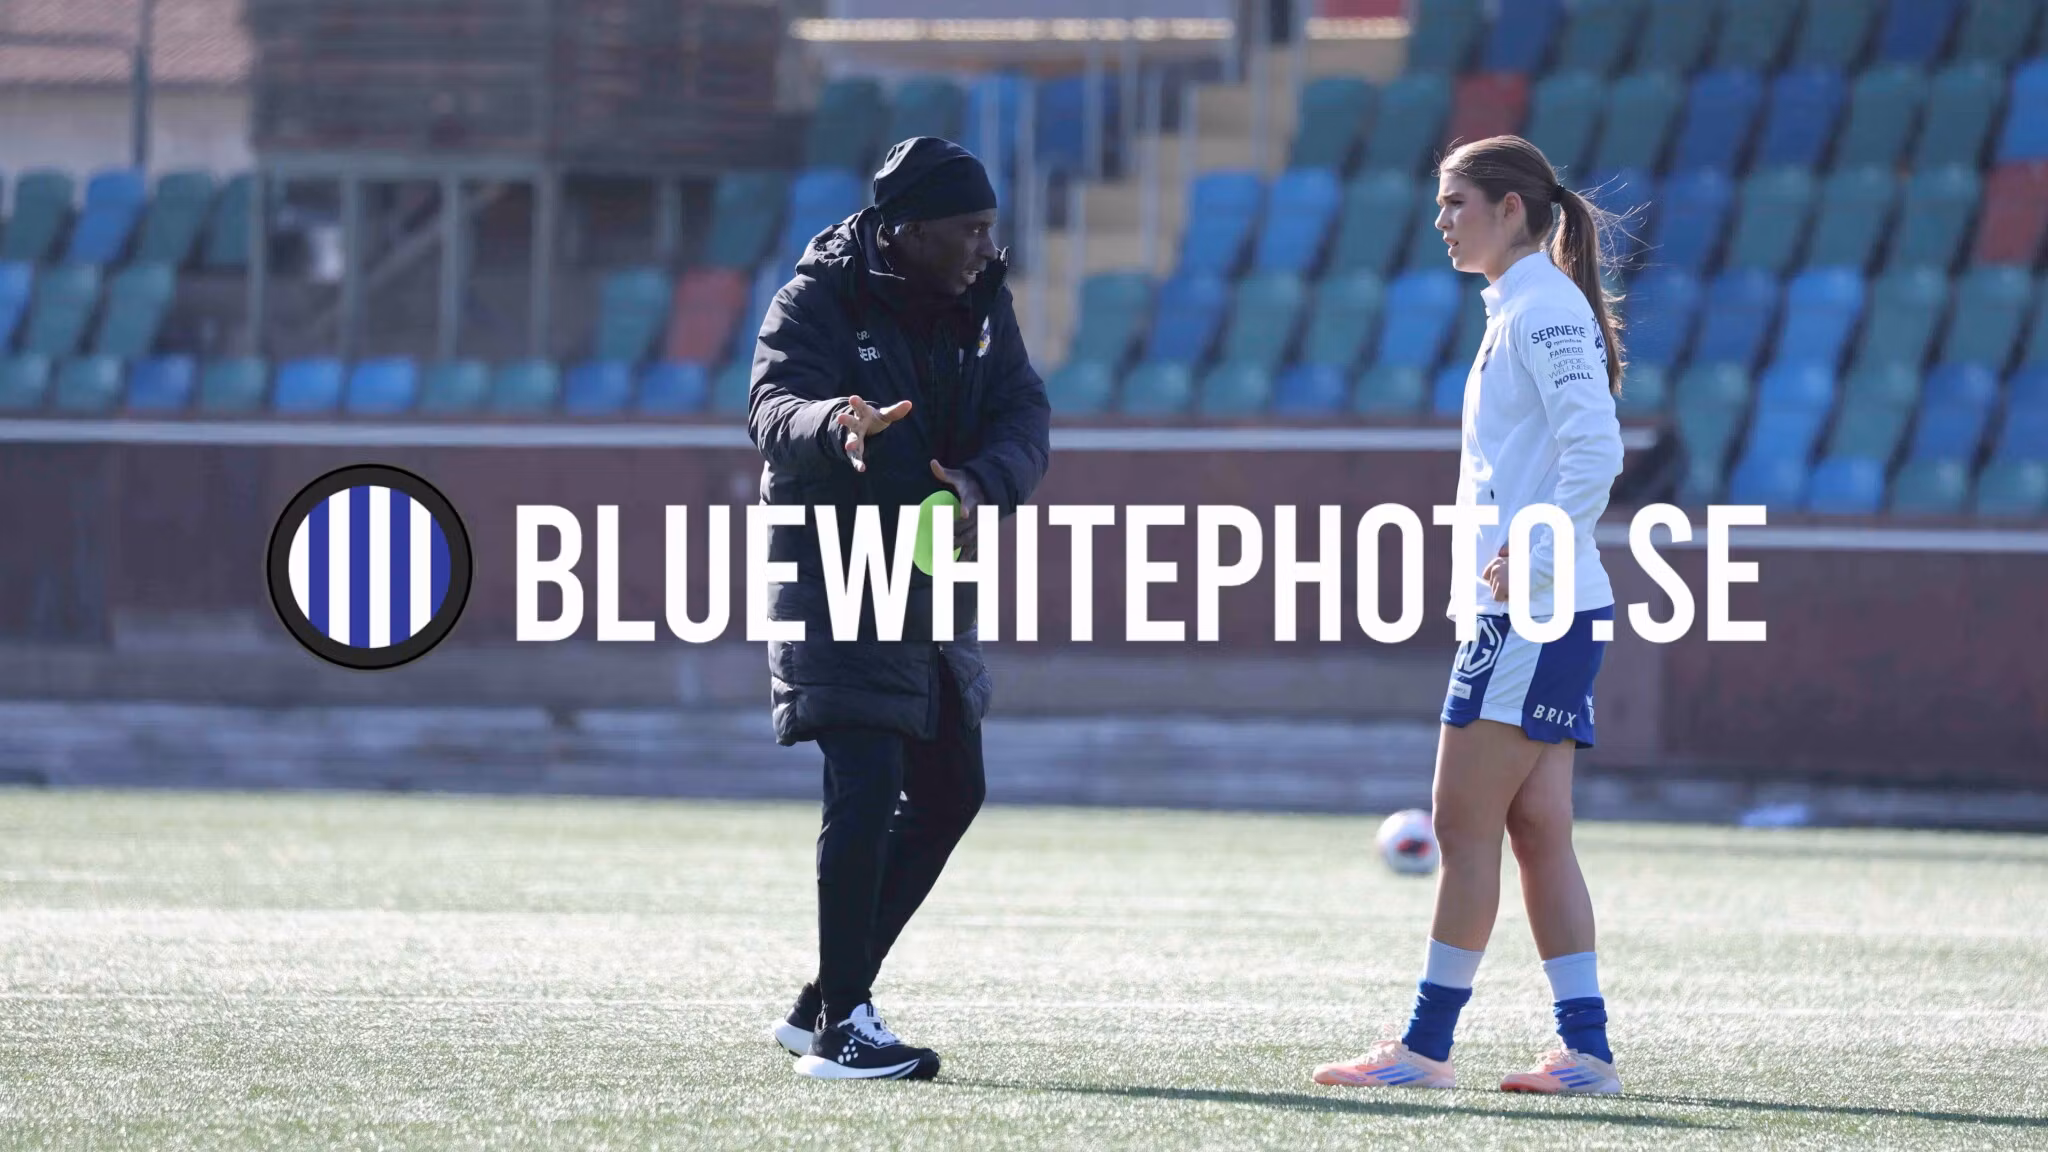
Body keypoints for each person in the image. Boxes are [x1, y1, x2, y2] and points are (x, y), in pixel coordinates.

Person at [1311, 135, 1629, 1096]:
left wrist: (1532, 555)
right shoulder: (1523, 308)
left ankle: (1424, 1048)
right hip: (1545, 612)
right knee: (1537, 829)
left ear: (1511, 210)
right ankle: (1586, 1053)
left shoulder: (1543, 309)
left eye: (1457, 202)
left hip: (1531, 615)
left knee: (1462, 824)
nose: (1441, 220)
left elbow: (1597, 450)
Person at [745, 137, 1052, 1081]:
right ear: (907, 231)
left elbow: (1023, 415)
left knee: (953, 790)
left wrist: (980, 484)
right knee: (868, 782)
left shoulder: (984, 304)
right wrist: (837, 423)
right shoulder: (817, 298)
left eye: (989, 228)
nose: (984, 246)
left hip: (931, 575)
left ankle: (822, 1003)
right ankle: (845, 1028)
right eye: (969, 229)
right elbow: (771, 407)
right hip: (833, 568)